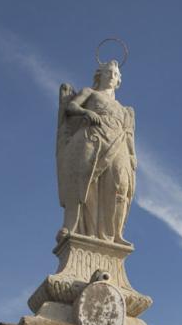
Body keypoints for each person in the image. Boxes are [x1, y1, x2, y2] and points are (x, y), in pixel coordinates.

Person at [55, 59, 137, 245]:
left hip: (119, 143)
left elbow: (129, 134)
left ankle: (115, 234)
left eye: (115, 74)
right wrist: (86, 113)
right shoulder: (89, 93)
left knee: (120, 186)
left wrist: (132, 156)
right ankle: (86, 231)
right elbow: (71, 106)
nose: (112, 76)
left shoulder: (125, 109)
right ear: (100, 75)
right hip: (94, 138)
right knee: (88, 184)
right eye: (109, 72)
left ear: (118, 81)